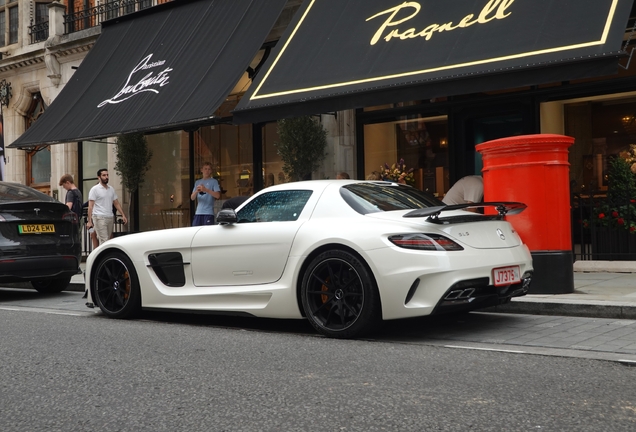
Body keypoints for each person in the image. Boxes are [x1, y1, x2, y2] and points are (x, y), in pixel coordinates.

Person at [86, 169, 128, 245]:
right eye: (104, 175)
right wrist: (89, 221)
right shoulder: (94, 189)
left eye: (107, 175)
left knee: (108, 240)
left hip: (110, 217)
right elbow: (90, 206)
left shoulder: (111, 189)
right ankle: (105, 256)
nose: (106, 177)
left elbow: (116, 203)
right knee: (104, 241)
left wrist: (123, 215)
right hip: (99, 217)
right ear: (99, 177)